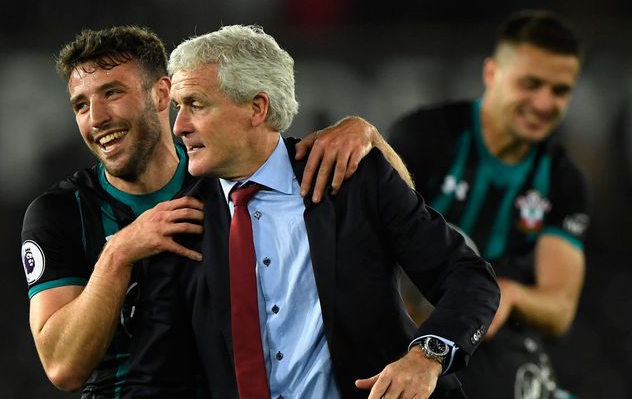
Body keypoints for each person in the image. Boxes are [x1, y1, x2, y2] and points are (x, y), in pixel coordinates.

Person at [19, 25, 407, 398]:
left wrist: (368, 137)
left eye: (112, 92)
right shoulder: (61, 213)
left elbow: (403, 224)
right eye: (81, 105)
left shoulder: (228, 185)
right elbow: (63, 369)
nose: (96, 118)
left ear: (161, 94)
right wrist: (120, 252)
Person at [125, 24, 500, 399]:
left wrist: (426, 357)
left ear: (257, 108)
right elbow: (155, 377)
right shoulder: (176, 224)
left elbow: (469, 277)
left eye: (196, 105)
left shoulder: (352, 181)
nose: (178, 127)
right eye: (178, 107)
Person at [388, 10, 590, 399]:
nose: (545, 102)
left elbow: (559, 308)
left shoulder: (563, 180)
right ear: (492, 73)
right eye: (531, 84)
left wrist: (510, 296)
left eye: (560, 90)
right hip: (412, 337)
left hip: (498, 346)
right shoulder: (426, 138)